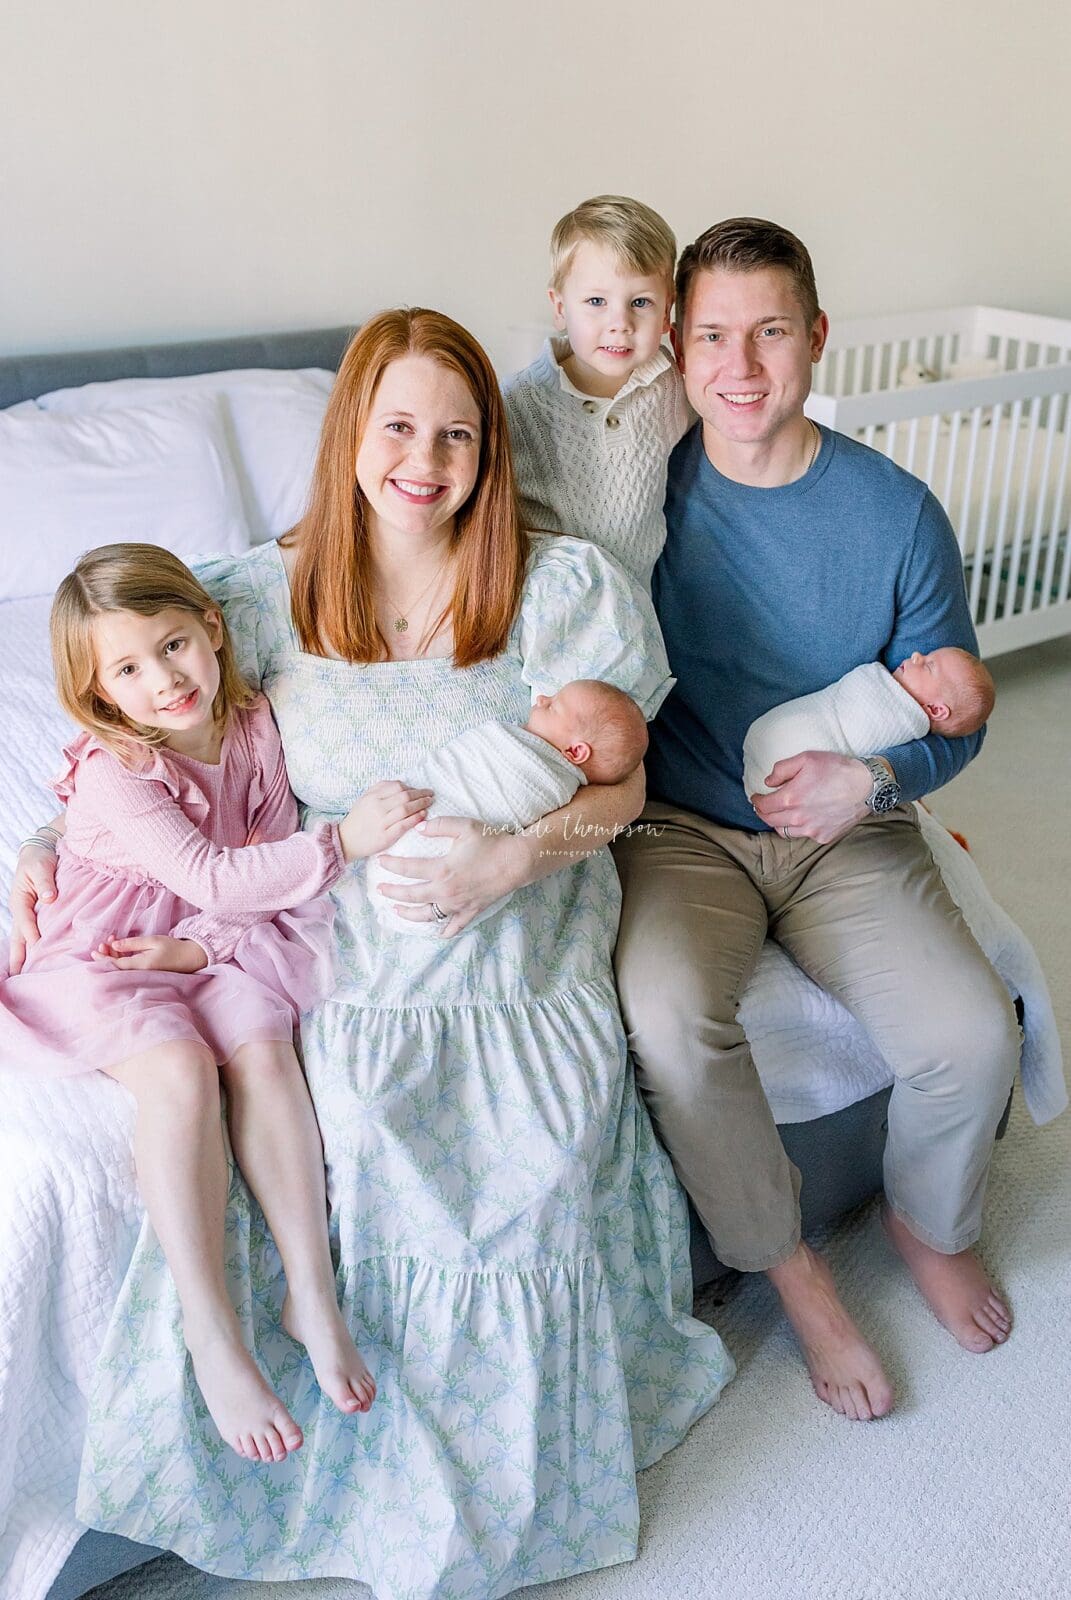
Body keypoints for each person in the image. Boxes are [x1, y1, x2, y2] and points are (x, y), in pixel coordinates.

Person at [11, 311, 731, 1597]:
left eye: (457, 432)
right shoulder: (247, 599)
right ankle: (338, 1421)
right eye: (398, 424)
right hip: (327, 954)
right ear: (352, 434)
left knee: (523, 1156)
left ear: (488, 453)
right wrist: (34, 850)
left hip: (516, 952)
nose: (426, 457)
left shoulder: (561, 590)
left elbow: (619, 794)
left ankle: (503, 1483)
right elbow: (132, 737)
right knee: (338, 1119)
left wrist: (507, 862)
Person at [612, 218, 1019, 1425]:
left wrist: (878, 784)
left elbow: (962, 709)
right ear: (677, 351)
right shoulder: (642, 498)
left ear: (818, 337)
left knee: (971, 1033)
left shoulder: (896, 513)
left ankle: (927, 1222)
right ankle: (789, 1267)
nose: (742, 369)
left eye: (771, 332)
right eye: (713, 337)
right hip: (679, 829)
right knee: (673, 1022)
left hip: (851, 822)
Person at [0, 545, 434, 1458]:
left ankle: (309, 1288)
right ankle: (211, 1332)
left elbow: (249, 876)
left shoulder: (255, 723)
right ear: (99, 694)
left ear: (212, 626)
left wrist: (205, 947)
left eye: (171, 645)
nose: (163, 680)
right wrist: (344, 843)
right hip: (107, 950)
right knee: (179, 1069)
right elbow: (211, 869)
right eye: (127, 669)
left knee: (263, 1042)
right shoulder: (123, 771)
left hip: (211, 932)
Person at [503, 193, 692, 588]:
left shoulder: (675, 389)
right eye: (596, 301)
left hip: (639, 602)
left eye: (640, 302)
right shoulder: (519, 403)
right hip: (546, 599)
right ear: (560, 307)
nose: (619, 322)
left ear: (666, 313)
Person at [369, 679, 649, 936]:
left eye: (552, 706)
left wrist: (511, 863)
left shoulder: (549, 779)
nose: (540, 698)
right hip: (371, 841)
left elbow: (628, 796)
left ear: (575, 752)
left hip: (480, 889)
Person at [742, 647, 996, 801]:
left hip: (786, 763)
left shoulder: (900, 722)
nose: (917, 655)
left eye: (929, 665)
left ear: (936, 710)